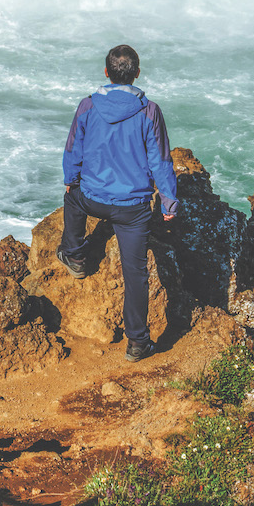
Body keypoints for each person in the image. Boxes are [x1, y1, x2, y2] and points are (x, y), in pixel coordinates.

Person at [58, 43, 178, 361]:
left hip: (92, 200)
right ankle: (138, 343)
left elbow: (73, 151)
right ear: (137, 74)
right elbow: (161, 160)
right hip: (133, 209)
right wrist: (168, 203)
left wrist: (71, 181)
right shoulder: (149, 111)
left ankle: (75, 257)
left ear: (106, 72)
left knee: (72, 199)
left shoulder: (87, 106)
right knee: (135, 273)